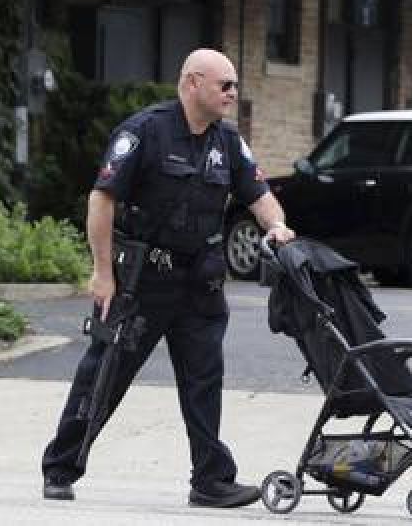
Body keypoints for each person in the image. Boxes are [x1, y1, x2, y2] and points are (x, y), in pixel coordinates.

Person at [41, 48, 295, 508]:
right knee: (104, 375)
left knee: (204, 381)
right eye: (225, 85)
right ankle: (61, 466)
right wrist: (102, 273)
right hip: (142, 283)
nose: (233, 94)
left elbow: (259, 195)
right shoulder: (144, 133)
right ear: (193, 83)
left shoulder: (228, 143)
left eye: (235, 85)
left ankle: (211, 480)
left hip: (200, 283)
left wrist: (276, 225)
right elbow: (102, 201)